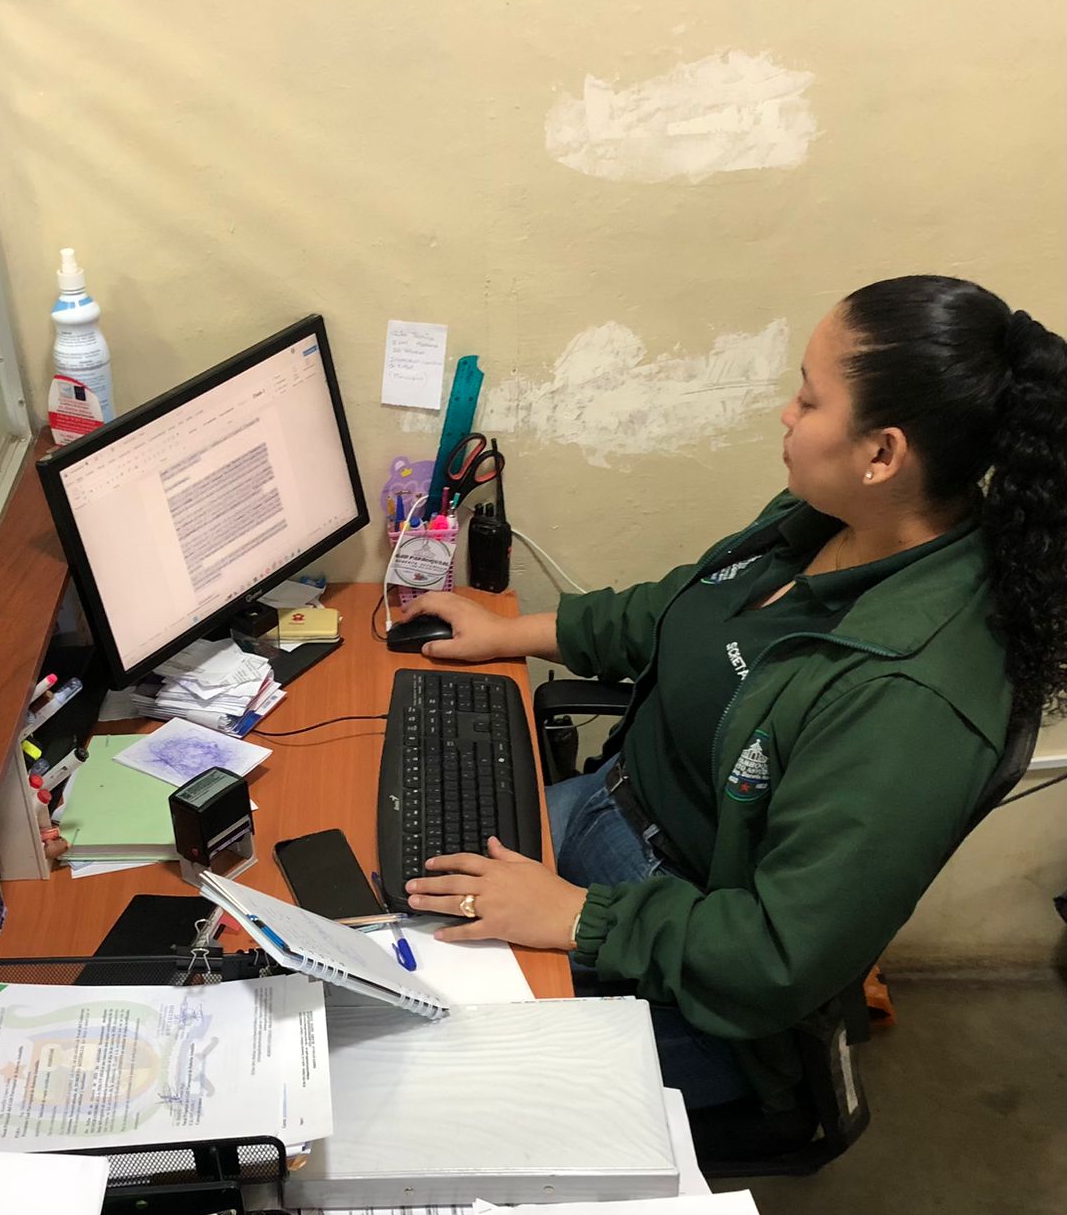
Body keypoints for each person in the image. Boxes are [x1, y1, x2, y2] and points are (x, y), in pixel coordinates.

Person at [402, 274, 1067, 1139]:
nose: (786, 415)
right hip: (612, 816)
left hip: (704, 975)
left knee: (424, 1059)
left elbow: (777, 956)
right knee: (387, 912)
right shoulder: (827, 518)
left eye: (809, 399)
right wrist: (511, 632)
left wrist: (574, 917)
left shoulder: (911, 696)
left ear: (882, 453)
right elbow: (681, 611)